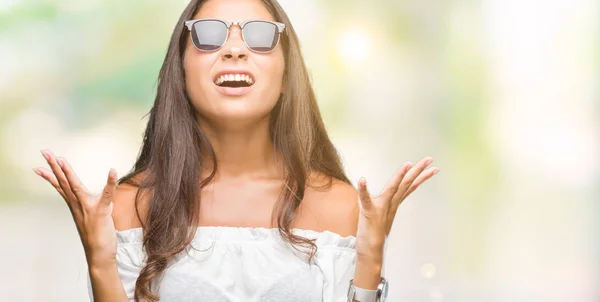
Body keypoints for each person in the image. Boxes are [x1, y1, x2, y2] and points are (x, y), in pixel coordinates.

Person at [33, 0, 439, 301]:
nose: (234, 49)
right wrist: (100, 263)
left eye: (260, 36)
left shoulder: (340, 205)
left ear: (286, 75)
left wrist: (370, 258)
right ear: (181, 68)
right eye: (209, 34)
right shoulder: (127, 206)